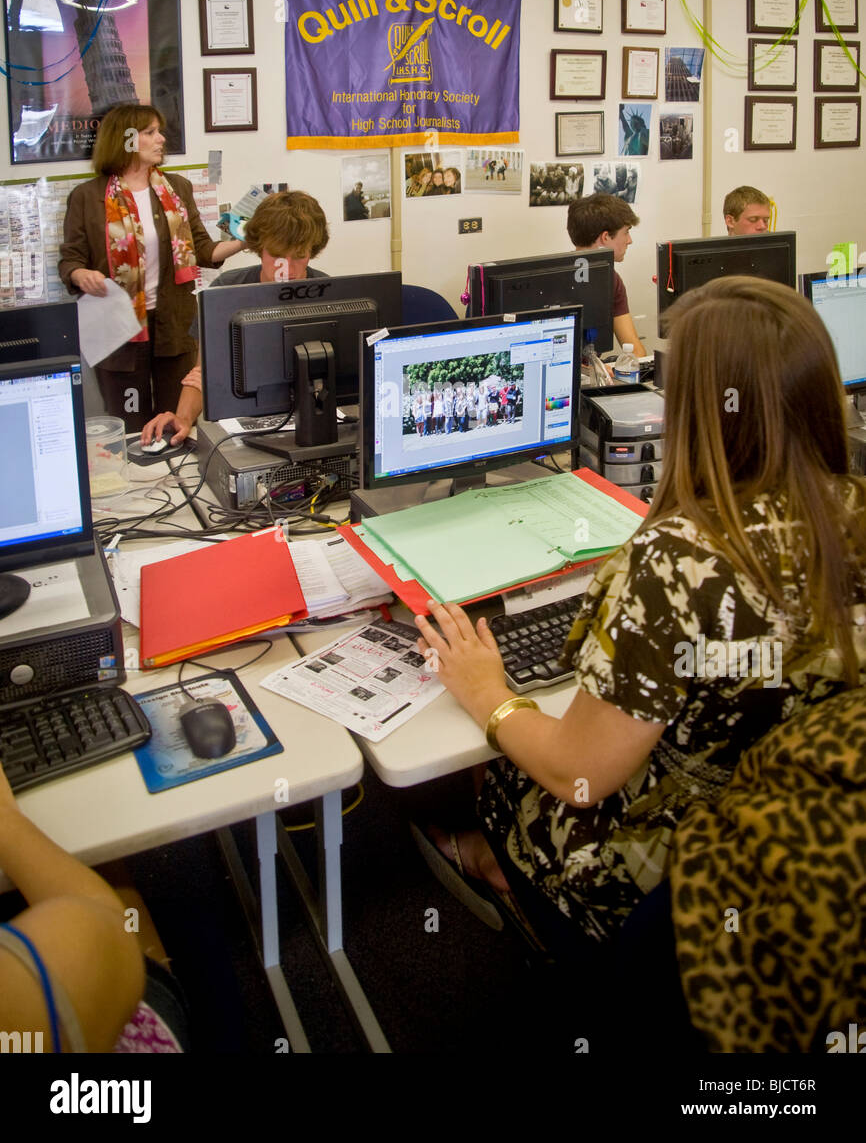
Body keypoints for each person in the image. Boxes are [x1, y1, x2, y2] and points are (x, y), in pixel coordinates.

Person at [413, 277, 866, 955]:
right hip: (806, 828)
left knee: (496, 763)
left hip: (670, 862)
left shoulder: (677, 559)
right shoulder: (853, 509)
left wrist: (490, 695)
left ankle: (487, 861)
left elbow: (581, 775)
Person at [58, 104, 244, 432]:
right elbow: (71, 259)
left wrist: (246, 240)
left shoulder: (178, 189)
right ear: (126, 139)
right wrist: (79, 274)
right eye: (150, 132)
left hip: (174, 325)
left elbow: (202, 250)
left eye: (159, 131)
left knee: (177, 421)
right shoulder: (87, 197)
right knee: (130, 422)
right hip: (119, 330)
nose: (161, 139)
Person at [140, 190, 329, 445]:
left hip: (316, 422)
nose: (288, 269)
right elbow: (202, 371)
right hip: (244, 427)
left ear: (312, 251)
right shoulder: (226, 291)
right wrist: (183, 418)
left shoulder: (329, 293)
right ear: (259, 249)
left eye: (299, 256)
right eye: (277, 255)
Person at [0, 757, 145, 1051]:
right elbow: (114, 935)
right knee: (122, 885)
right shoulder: (15, 1000)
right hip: (116, 980)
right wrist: (4, 817)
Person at [567, 193, 647, 356]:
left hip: (594, 376)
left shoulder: (611, 280)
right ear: (605, 237)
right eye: (626, 232)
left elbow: (635, 351)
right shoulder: (554, 280)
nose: (629, 240)